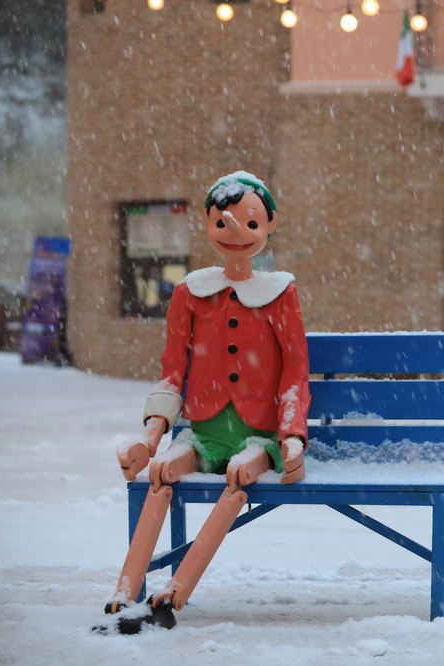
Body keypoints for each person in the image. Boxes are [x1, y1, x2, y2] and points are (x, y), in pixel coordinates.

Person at [96, 171, 311, 634]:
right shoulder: (190, 293)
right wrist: (151, 438)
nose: (237, 234)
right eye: (224, 223)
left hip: (258, 434)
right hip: (203, 429)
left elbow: (295, 372)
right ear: (208, 224)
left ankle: (174, 592)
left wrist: (291, 436)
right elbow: (172, 370)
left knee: (237, 477)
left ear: (270, 226)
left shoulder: (280, 293)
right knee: (158, 475)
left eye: (252, 225)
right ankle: (124, 591)